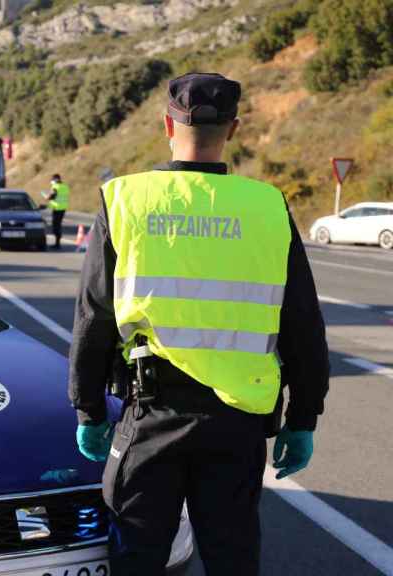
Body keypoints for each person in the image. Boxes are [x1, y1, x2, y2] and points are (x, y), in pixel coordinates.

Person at [68, 72, 329, 576]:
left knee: (137, 557)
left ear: (168, 123)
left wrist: (88, 409)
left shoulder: (124, 199)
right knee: (232, 557)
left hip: (151, 416)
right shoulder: (267, 207)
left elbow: (93, 316)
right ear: (233, 128)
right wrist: (303, 418)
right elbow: (301, 322)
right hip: (238, 424)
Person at [43, 174, 70, 249]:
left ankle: (57, 243)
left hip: (57, 209)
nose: (51, 181)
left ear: (55, 179)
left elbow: (52, 196)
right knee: (58, 225)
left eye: (52, 180)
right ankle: (58, 242)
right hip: (63, 208)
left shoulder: (55, 187)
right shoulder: (65, 186)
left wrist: (47, 197)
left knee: (56, 226)